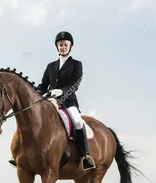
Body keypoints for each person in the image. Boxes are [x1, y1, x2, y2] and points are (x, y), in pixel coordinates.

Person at [8, 31, 96, 171]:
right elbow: (43, 85)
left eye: (65, 45)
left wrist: (61, 91)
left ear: (70, 46)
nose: (63, 47)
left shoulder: (76, 64)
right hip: (49, 101)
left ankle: (85, 156)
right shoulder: (51, 66)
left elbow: (75, 85)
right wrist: (33, 94)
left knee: (77, 121)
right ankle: (21, 153)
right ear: (57, 47)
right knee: (31, 118)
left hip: (68, 101)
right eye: (60, 45)